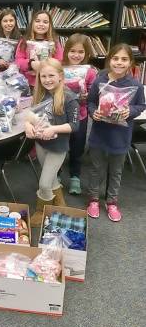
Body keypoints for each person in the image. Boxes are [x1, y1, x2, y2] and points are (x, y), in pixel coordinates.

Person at [86, 43, 145, 222]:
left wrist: (130, 112)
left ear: (131, 62)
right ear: (109, 60)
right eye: (115, 58)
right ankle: (93, 199)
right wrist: (93, 112)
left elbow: (141, 105)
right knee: (96, 169)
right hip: (99, 133)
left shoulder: (135, 85)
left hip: (120, 137)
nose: (119, 62)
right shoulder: (100, 80)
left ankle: (111, 201)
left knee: (116, 171)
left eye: (124, 59)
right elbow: (90, 103)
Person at [24, 58, 79, 226]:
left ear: (61, 76)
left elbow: (75, 125)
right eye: (43, 76)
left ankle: (42, 211)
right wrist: (27, 125)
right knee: (51, 176)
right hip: (41, 144)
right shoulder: (40, 94)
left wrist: (54, 129)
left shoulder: (69, 98)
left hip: (58, 147)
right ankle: (60, 202)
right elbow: (29, 114)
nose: (47, 80)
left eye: (51, 75)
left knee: (44, 183)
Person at [62, 34, 97, 195]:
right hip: (60, 115)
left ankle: (75, 176)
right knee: (60, 146)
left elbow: (94, 92)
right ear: (66, 51)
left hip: (80, 115)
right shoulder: (59, 68)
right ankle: (56, 175)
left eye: (81, 52)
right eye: (72, 51)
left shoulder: (89, 72)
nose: (76, 55)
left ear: (86, 53)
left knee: (77, 146)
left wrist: (86, 96)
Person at [15, 10, 63, 87]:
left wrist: (47, 65)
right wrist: (31, 64)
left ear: (50, 25)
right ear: (32, 23)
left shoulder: (55, 42)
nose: (41, 24)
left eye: (45, 22)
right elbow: (18, 61)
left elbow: (59, 61)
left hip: (48, 82)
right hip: (28, 83)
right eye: (37, 21)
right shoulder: (24, 41)